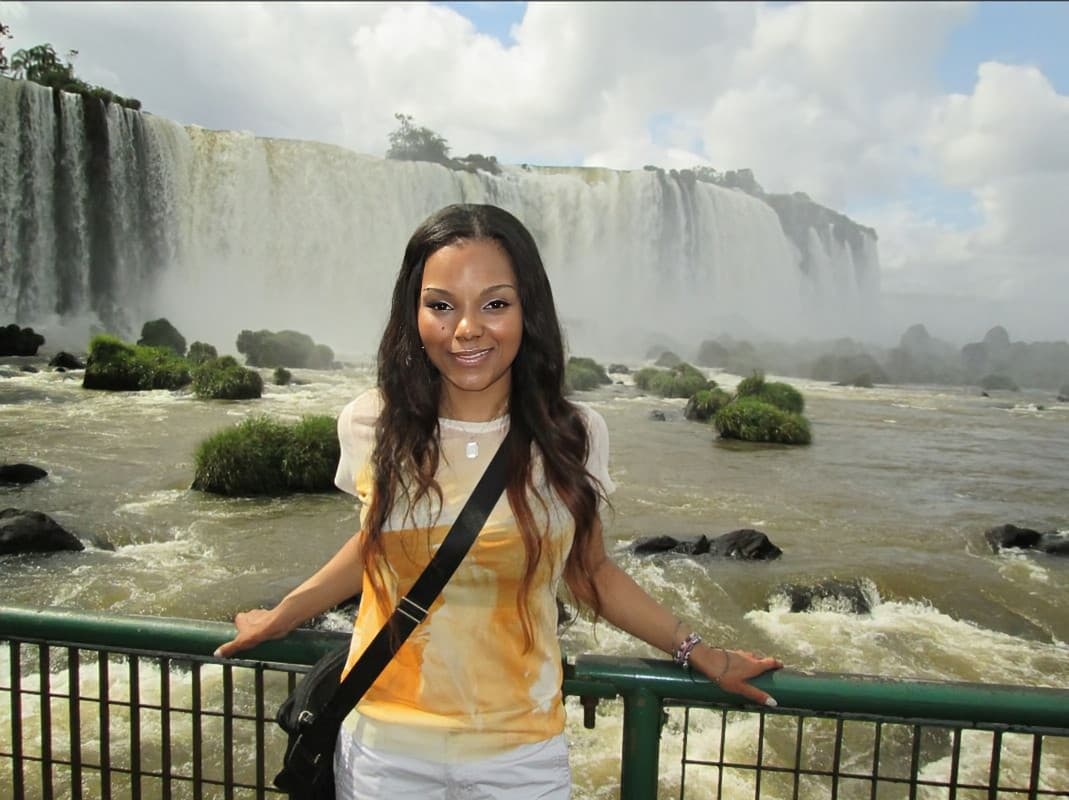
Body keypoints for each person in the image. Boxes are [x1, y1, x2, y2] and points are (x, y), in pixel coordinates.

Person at [215, 203, 782, 798]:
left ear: (528, 310)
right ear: (413, 314)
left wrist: (701, 652)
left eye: (494, 304)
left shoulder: (573, 434)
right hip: (385, 746)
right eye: (441, 305)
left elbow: (591, 573)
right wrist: (286, 611)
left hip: (520, 755)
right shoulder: (370, 422)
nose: (467, 329)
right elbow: (376, 546)